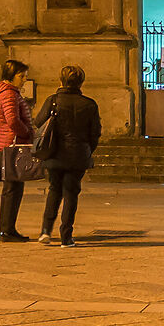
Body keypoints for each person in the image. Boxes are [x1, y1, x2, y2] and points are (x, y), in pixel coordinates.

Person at [32, 65, 102, 247]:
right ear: (81, 83)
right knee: (71, 193)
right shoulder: (89, 104)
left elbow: (38, 122)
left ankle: (45, 231)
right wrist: (87, 150)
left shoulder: (53, 100)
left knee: (54, 190)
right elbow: (95, 133)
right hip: (78, 155)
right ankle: (66, 237)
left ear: (61, 81)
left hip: (54, 153)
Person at [0, 60, 34, 244]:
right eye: (21, 76)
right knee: (12, 190)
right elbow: (12, 120)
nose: (24, 80)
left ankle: (8, 229)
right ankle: (6, 230)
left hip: (7, 143)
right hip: (13, 145)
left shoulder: (4, 93)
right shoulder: (8, 94)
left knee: (12, 189)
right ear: (11, 75)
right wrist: (27, 132)